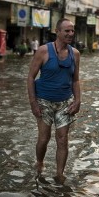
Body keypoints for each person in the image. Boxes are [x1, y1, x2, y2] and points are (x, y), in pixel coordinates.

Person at [27, 18, 81, 184]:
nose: (70, 34)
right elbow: (30, 77)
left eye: (72, 31)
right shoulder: (43, 51)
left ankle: (59, 175)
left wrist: (78, 100)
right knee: (44, 138)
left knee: (63, 139)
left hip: (65, 102)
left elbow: (75, 80)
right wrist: (33, 103)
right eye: (67, 31)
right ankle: (40, 162)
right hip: (44, 100)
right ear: (57, 32)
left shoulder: (75, 54)